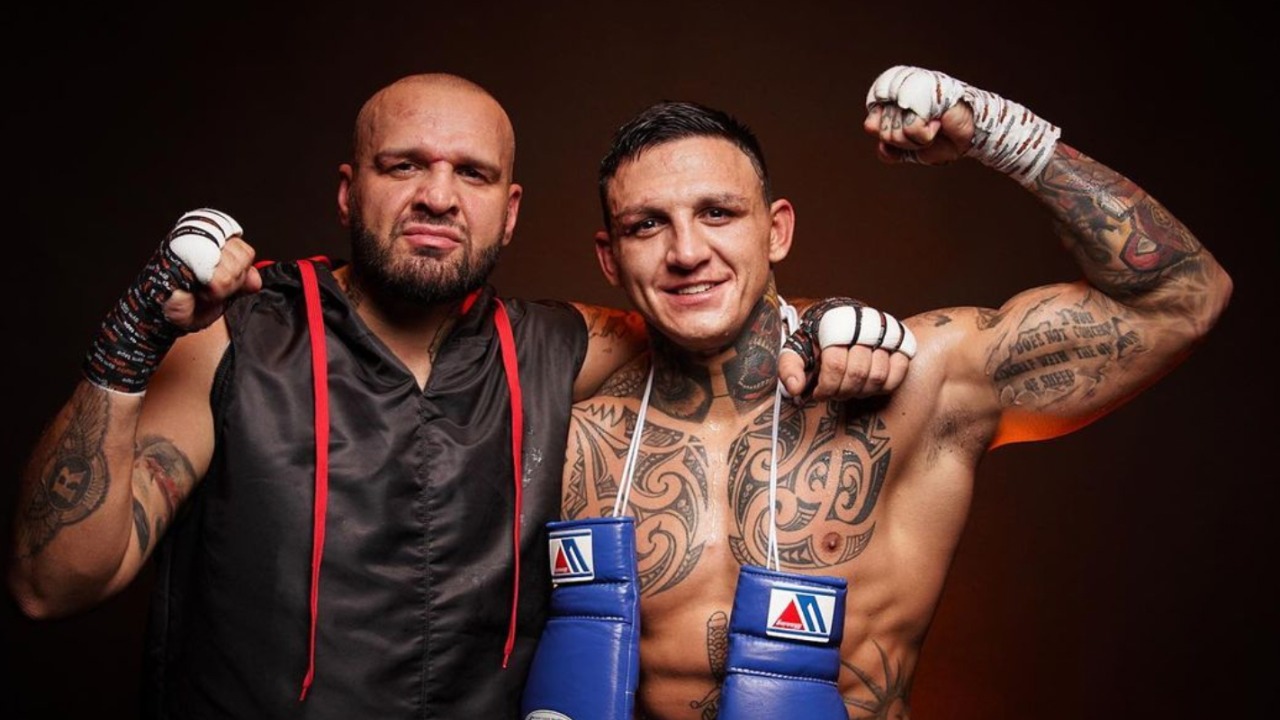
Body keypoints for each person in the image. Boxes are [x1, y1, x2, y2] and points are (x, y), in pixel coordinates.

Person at [5, 73, 910, 719]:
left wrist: (831, 328)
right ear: (349, 193)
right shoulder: (234, 337)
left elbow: (708, 303)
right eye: (404, 166)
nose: (438, 196)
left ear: (509, 212)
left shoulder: (561, 346)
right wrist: (130, 342)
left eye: (470, 174)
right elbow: (51, 585)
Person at [559, 64, 1232, 719]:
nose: (686, 251)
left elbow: (1183, 300)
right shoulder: (573, 418)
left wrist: (1002, 134)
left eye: (718, 212)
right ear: (610, 257)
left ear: (777, 230)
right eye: (647, 224)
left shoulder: (918, 384)